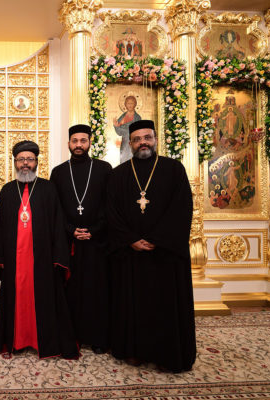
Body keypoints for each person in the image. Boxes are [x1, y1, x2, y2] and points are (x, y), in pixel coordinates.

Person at [106, 119, 196, 372]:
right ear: (130, 143)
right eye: (137, 139)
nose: (143, 143)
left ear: (155, 139)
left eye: (147, 137)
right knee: (134, 306)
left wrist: (158, 238)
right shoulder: (119, 174)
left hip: (165, 254)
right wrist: (130, 239)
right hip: (131, 255)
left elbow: (182, 208)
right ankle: (135, 350)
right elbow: (111, 212)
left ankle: (166, 355)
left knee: (165, 306)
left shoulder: (173, 169)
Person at [0, 140, 79, 359]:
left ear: (37, 162)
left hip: (42, 260)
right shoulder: (7, 191)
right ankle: (16, 341)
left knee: (43, 300)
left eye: (30, 159)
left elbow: (57, 224)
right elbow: (0, 226)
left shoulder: (48, 189)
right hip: (14, 260)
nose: (25, 164)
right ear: (15, 162)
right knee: (16, 299)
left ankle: (41, 342)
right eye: (21, 159)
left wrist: (58, 257)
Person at [50, 124, 113, 354]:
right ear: (68, 143)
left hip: (97, 242)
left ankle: (98, 337)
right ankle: (72, 335)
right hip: (69, 242)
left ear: (90, 142)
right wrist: (70, 230)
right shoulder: (58, 172)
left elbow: (110, 205)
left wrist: (94, 230)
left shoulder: (104, 169)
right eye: (75, 141)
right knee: (71, 290)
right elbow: (55, 208)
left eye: (83, 141)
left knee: (97, 290)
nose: (79, 145)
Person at [113, 95, 142, 163]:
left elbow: (137, 131)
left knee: (134, 162)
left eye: (132, 103)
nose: (130, 105)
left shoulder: (137, 117)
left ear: (135, 104)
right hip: (125, 143)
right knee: (124, 162)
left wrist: (124, 130)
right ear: (125, 105)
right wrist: (116, 126)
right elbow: (119, 132)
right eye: (128, 103)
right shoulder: (122, 117)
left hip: (134, 143)